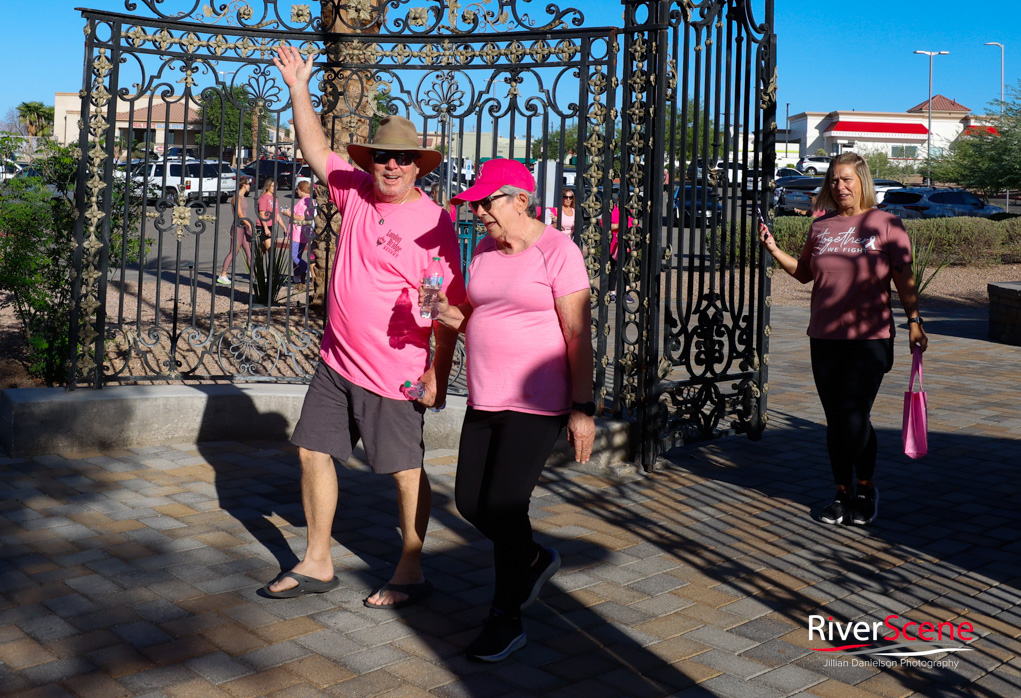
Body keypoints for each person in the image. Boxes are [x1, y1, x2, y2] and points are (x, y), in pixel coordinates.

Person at [266, 45, 466, 608]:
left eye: (404, 158)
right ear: (371, 159)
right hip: (336, 361)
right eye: (383, 156)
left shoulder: (434, 223)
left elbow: (448, 308)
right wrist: (299, 88)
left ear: (419, 165)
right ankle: (318, 559)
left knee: (404, 469)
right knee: (311, 450)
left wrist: (437, 374)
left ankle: (409, 569)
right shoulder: (353, 191)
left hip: (395, 371)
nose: (392, 165)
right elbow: (315, 149)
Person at [423, 158, 596, 662]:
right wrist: (436, 308)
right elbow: (473, 316)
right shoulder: (483, 250)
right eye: (473, 204)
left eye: (486, 202)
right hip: (485, 395)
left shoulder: (558, 251)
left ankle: (506, 618)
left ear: (521, 199)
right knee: (471, 503)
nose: (478, 212)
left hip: (538, 400)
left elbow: (578, 334)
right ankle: (535, 557)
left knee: (503, 505)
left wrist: (582, 407)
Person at [758, 152, 928, 526]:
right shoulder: (821, 226)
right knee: (836, 420)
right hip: (824, 336)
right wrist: (772, 249)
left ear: (862, 181)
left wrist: (914, 320)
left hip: (870, 338)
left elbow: (903, 277)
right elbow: (804, 274)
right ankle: (841, 492)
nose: (840, 186)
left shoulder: (887, 223)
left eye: (847, 179)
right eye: (834, 180)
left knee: (853, 416)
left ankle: (866, 488)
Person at [217, 176, 253, 285]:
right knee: (234, 251)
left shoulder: (244, 197)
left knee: (249, 253)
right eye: (248, 184)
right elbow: (240, 214)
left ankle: (254, 276)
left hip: (244, 227)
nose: (249, 186)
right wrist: (249, 224)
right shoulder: (236, 197)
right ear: (244, 185)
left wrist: (247, 225)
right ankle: (223, 274)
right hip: (238, 226)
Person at [280, 179, 314, 283]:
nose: (296, 191)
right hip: (302, 232)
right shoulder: (309, 200)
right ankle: (297, 277)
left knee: (294, 256)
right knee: (297, 255)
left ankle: (309, 271)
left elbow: (301, 217)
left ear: (302, 189)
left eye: (297, 189)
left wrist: (288, 214)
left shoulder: (305, 201)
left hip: (298, 233)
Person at [257, 178, 288, 251]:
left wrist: (284, 227)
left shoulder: (274, 199)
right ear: (268, 186)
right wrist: (266, 229)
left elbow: (277, 215)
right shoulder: (264, 198)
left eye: (276, 186)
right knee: (271, 250)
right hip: (263, 226)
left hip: (271, 226)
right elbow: (262, 214)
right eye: (272, 186)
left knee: (262, 251)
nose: (275, 188)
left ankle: (255, 262)